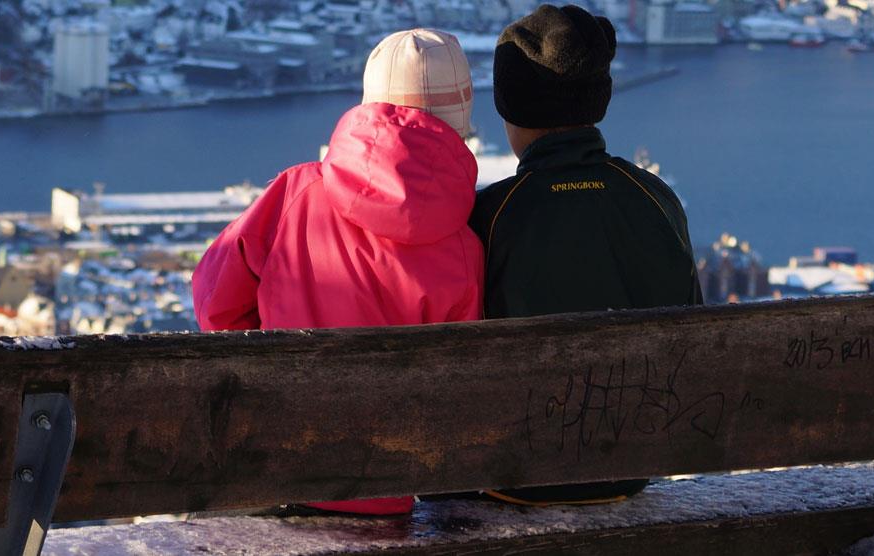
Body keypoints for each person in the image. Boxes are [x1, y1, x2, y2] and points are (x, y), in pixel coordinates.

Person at [191, 28, 482, 516]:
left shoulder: (295, 193)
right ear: (461, 124)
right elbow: (452, 389)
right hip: (380, 502)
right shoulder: (465, 245)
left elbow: (215, 303)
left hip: (266, 476)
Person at [468, 4, 702, 506]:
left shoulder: (493, 214)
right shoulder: (655, 198)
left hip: (517, 475)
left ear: (511, 109)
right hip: (633, 465)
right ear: (598, 99)